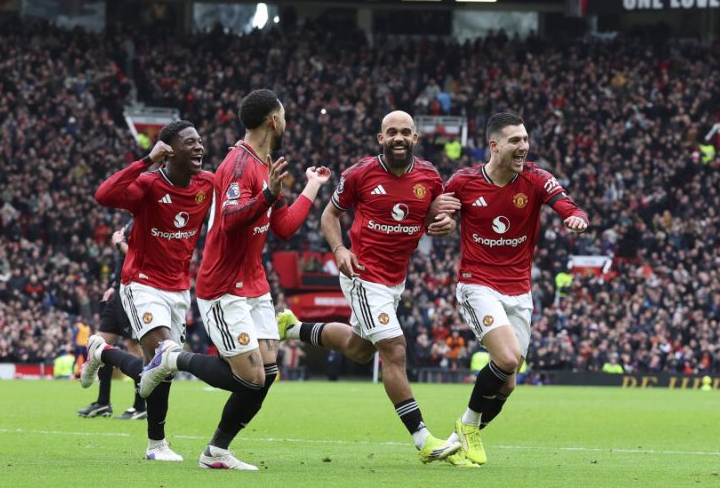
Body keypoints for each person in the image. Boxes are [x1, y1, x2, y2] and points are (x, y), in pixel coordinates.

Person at [139, 89, 332, 471]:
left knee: (267, 374)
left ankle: (216, 451)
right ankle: (171, 357)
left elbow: (284, 227)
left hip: (254, 284)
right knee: (251, 378)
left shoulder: (266, 163)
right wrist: (267, 194)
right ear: (274, 120)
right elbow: (229, 220)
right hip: (224, 286)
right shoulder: (239, 164)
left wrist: (312, 186)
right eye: (284, 117)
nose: (287, 123)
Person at [278, 110, 465, 465]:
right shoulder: (360, 173)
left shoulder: (429, 176)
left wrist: (445, 224)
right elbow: (329, 216)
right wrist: (339, 249)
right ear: (381, 138)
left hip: (395, 279)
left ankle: (293, 328)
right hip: (362, 275)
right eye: (391, 132)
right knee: (394, 349)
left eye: (405, 132)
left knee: (360, 348)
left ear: (415, 138)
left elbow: (435, 218)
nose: (398, 137)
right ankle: (424, 439)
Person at [443, 111, 589, 465]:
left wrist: (575, 217)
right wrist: (441, 220)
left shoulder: (537, 178)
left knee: (507, 382)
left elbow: (568, 205)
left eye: (525, 139)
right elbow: (438, 211)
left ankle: (454, 442)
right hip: (478, 284)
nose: (523, 146)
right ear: (494, 146)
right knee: (507, 359)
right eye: (515, 140)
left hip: (519, 291)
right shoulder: (463, 181)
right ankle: (469, 428)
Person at [81, 119, 213, 462]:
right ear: (169, 151)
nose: (199, 147)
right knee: (163, 355)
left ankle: (102, 352)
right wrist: (146, 160)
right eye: (190, 142)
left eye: (199, 141)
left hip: (179, 288)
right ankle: (157, 446)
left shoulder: (207, 184)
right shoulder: (149, 184)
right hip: (142, 283)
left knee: (164, 368)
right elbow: (104, 194)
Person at [77, 222, 147, 420]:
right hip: (119, 291)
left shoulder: (146, 222)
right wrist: (114, 285)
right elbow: (123, 260)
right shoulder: (132, 222)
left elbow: (140, 257)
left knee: (134, 346)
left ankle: (140, 406)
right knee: (98, 345)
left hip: (134, 291)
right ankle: (103, 403)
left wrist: (119, 243)